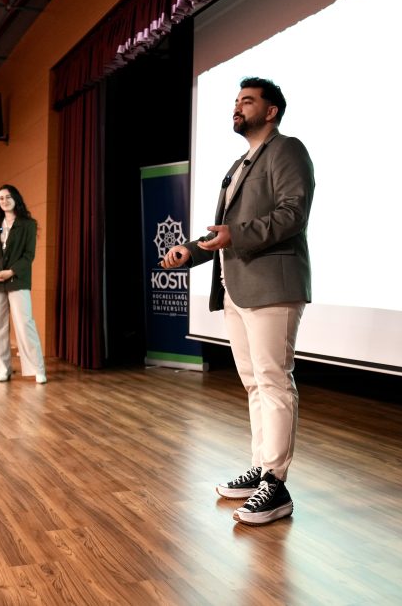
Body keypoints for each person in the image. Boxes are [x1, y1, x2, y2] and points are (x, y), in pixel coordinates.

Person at [161, 77, 314, 526]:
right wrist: (190, 250)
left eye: (248, 101)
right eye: (236, 101)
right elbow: (223, 233)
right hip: (236, 287)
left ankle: (276, 485)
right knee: (253, 384)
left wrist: (236, 235)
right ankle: (262, 468)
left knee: (273, 381)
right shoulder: (239, 164)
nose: (238, 106)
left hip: (273, 285)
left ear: (271, 111)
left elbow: (292, 213)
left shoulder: (287, 150)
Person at [0, 185, 47, 384]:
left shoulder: (28, 224)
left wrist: (10, 271)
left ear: (16, 198)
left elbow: (29, 256)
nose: (4, 201)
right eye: (1, 198)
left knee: (24, 324)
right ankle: (3, 369)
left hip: (17, 279)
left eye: (8, 197)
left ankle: (37, 369)